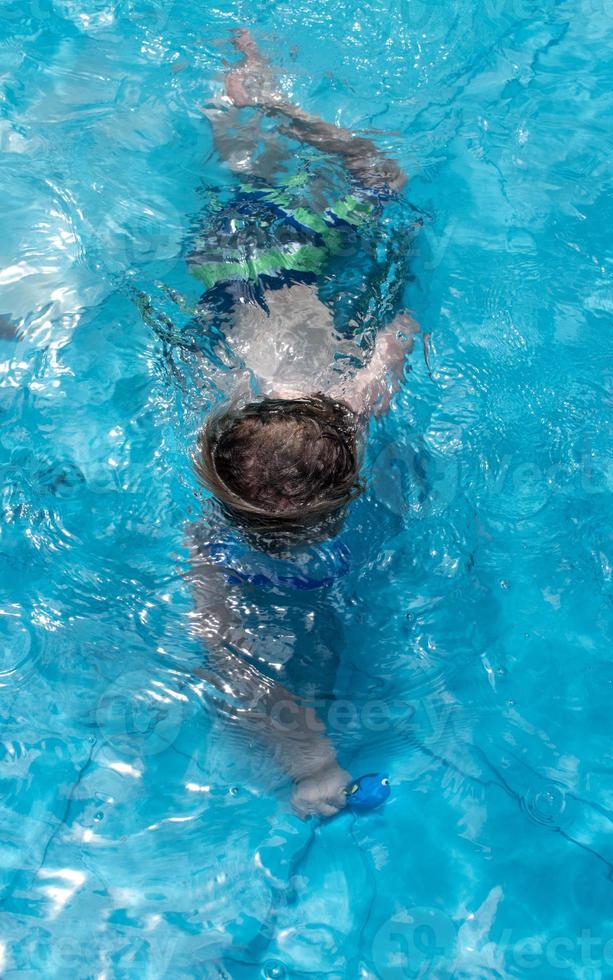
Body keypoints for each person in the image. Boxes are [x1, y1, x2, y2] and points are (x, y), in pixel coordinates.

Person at [187, 29, 418, 817]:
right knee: (286, 176)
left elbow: (224, 656)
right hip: (220, 272)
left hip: (276, 263)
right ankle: (258, 99)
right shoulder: (224, 414)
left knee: (377, 178)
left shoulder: (353, 404)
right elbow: (400, 335)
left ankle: (256, 92)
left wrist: (310, 759)